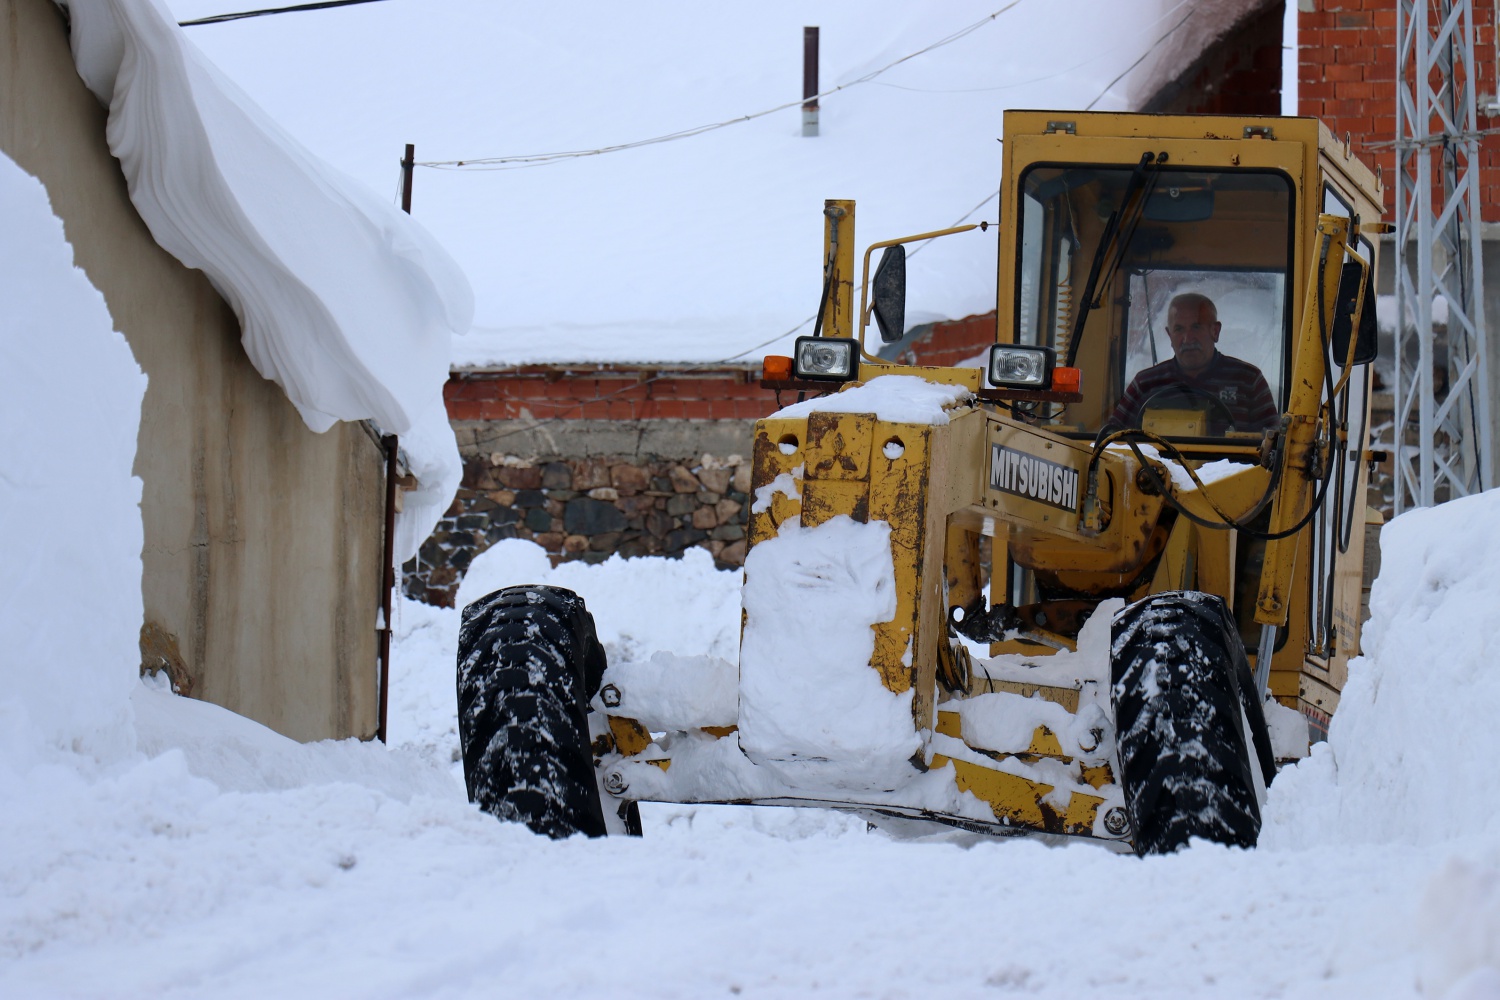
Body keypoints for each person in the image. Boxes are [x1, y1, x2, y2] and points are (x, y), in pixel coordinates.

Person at [1102, 292, 1278, 436]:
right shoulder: (1145, 384)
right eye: (1179, 329)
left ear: (1215, 331)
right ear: (1169, 335)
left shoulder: (1249, 381)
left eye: (1196, 327)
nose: (1187, 339)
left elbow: (1274, 442)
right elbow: (1111, 440)